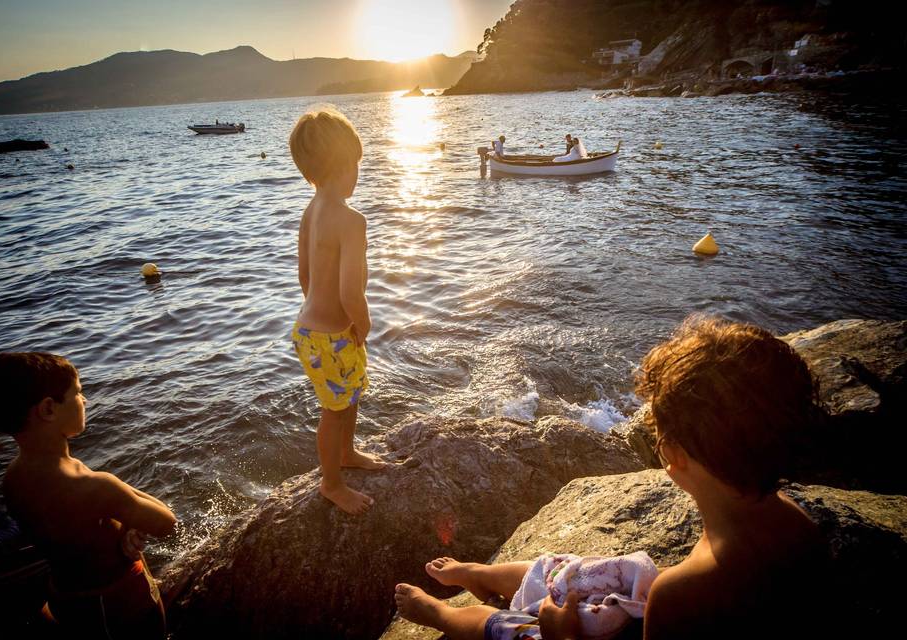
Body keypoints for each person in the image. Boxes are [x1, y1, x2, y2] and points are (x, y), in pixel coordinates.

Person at [394, 316, 831, 639]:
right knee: (579, 573)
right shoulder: (794, 522)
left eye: (657, 436)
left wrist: (563, 636)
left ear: (674, 456)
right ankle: (482, 575)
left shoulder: (682, 597)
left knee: (508, 627)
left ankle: (439, 615)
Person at [0, 352, 176, 639]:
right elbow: (166, 522)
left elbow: (77, 531)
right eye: (78, 393)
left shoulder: (13, 478)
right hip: (120, 602)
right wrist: (116, 490)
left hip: (66, 597)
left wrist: (124, 522)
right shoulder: (95, 486)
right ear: (48, 409)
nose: (85, 401)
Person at [288, 106, 385, 515]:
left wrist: (329, 318)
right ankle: (331, 483)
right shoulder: (351, 220)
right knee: (334, 408)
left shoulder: (311, 211)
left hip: (312, 330)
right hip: (332, 335)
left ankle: (346, 452)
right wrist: (361, 322)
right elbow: (350, 291)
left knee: (350, 393)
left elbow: (304, 276)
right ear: (347, 163)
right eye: (357, 164)